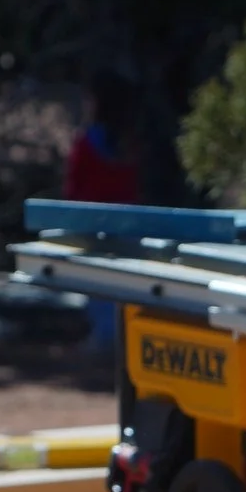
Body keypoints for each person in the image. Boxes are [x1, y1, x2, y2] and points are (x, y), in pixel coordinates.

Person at [64, 71, 140, 350]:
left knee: (98, 284)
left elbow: (74, 184)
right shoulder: (129, 141)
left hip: (94, 224)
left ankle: (105, 336)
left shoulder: (88, 141)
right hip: (128, 224)